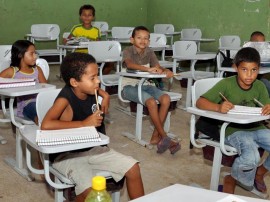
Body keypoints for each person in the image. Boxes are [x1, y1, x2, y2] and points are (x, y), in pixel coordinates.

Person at [41, 52, 144, 202]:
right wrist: (83, 124)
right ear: (75, 82)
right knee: (93, 194)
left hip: (93, 148)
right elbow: (46, 125)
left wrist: (105, 95)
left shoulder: (90, 90)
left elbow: (95, 88)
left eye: (97, 76)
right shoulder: (65, 99)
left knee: (133, 167)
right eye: (93, 78)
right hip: (67, 156)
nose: (98, 81)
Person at [196, 47, 270, 194]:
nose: (249, 75)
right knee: (252, 158)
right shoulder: (226, 84)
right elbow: (200, 102)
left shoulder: (260, 86)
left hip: (257, 128)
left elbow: (266, 109)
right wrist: (218, 107)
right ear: (235, 67)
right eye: (244, 70)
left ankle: (260, 173)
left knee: (254, 158)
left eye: (254, 70)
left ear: (259, 69)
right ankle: (232, 179)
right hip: (234, 130)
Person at [121, 25, 180, 154]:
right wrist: (148, 69)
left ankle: (155, 136)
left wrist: (166, 71)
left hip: (146, 85)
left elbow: (158, 67)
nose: (143, 41)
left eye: (146, 38)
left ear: (149, 41)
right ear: (132, 40)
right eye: (139, 38)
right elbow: (130, 65)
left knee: (166, 98)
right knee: (151, 102)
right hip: (128, 87)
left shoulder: (150, 52)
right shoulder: (128, 51)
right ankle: (164, 136)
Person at [0, 40, 47, 124]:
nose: (35, 56)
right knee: (40, 115)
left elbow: (46, 88)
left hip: (41, 100)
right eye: (31, 53)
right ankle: (44, 127)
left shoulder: (37, 70)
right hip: (26, 105)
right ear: (20, 55)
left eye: (35, 53)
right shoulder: (12, 71)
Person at [64, 4, 113, 75]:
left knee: (110, 63)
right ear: (80, 16)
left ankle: (99, 78)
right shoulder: (76, 28)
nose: (86, 17)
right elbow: (68, 40)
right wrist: (66, 41)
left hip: (93, 54)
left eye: (89, 15)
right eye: (84, 15)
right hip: (79, 55)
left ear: (93, 17)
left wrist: (97, 42)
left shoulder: (96, 30)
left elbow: (99, 44)